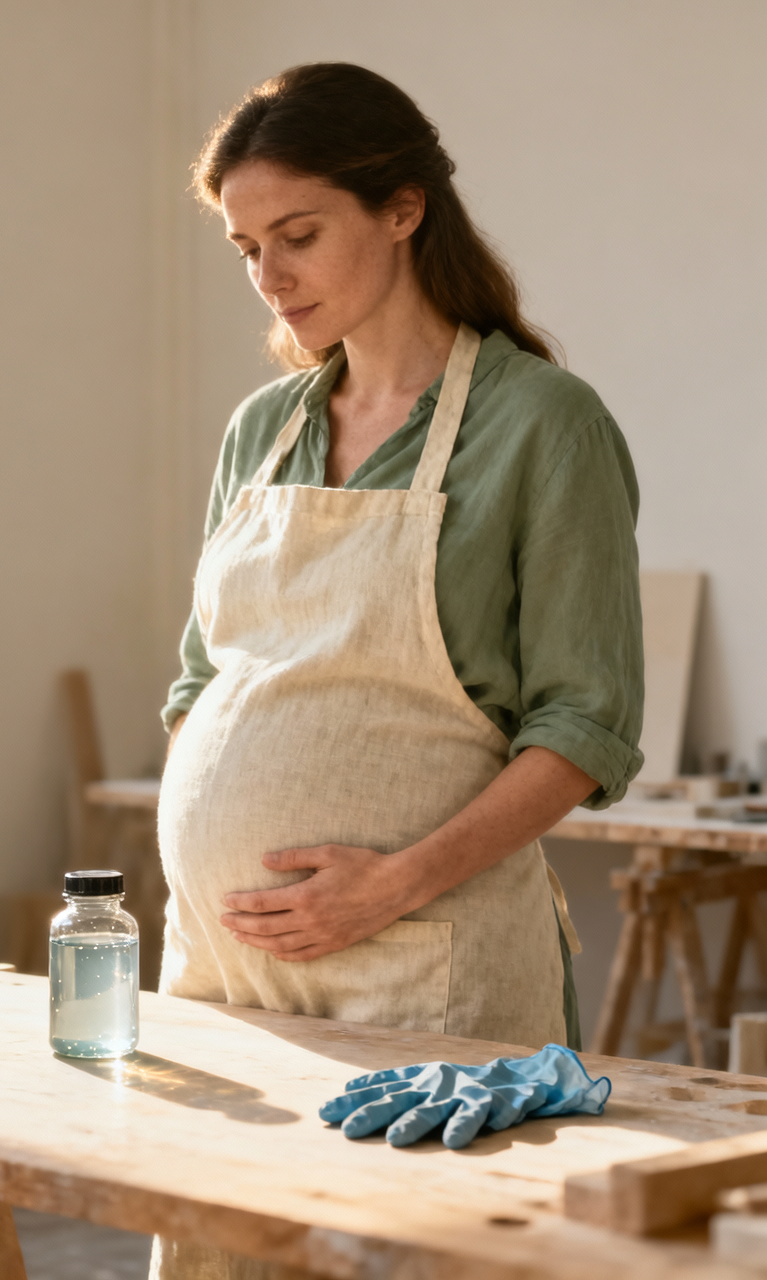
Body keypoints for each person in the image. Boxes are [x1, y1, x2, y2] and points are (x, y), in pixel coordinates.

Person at [154, 61, 642, 1280]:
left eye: (299, 234)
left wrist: (384, 886)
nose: (269, 276)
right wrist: (211, 829)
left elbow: (585, 723)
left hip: (423, 961)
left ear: (404, 208)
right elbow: (196, 676)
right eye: (245, 248)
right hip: (223, 965)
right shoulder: (257, 430)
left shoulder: (543, 424)